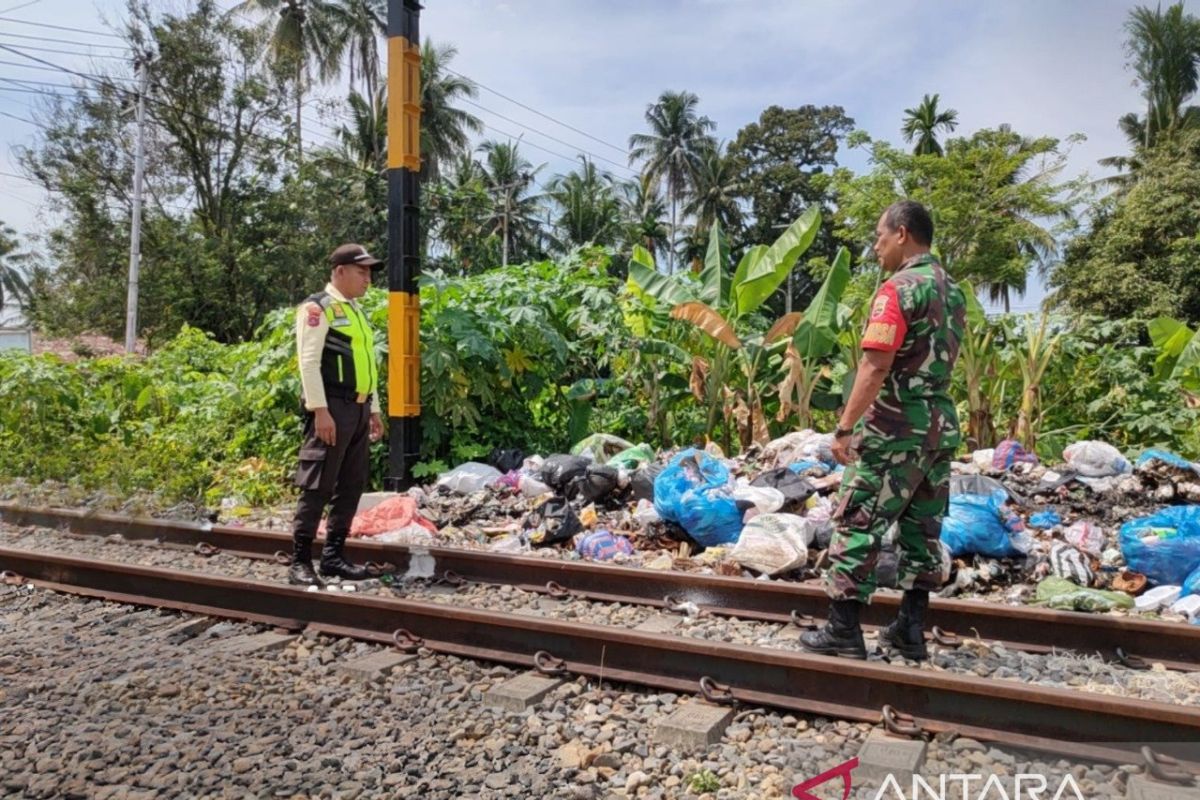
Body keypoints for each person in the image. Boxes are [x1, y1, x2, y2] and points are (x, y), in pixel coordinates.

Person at [800, 200, 965, 660]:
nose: (875, 246)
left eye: (879, 236)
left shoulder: (898, 290)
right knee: (921, 532)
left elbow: (875, 364)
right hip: (937, 430)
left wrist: (844, 427)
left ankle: (843, 630)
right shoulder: (953, 291)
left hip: (894, 427)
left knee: (858, 522)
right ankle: (909, 631)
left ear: (903, 233)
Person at [287, 243, 385, 586]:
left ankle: (333, 557)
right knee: (318, 485)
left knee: (351, 485)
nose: (368, 279)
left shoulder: (355, 311)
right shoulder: (318, 308)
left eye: (370, 272)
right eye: (362, 272)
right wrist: (320, 411)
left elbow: (366, 365)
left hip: (357, 408)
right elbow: (308, 363)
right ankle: (300, 562)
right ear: (340, 271)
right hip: (332, 408)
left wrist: (373, 409)